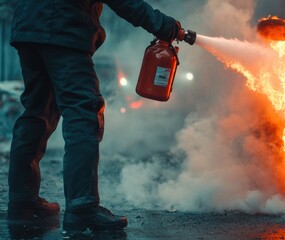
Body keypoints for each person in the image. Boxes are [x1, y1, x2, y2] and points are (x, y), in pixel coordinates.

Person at [7, 0, 191, 231]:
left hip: (29, 28)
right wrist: (164, 25)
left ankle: (23, 203)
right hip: (62, 28)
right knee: (83, 113)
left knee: (37, 112)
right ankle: (82, 209)